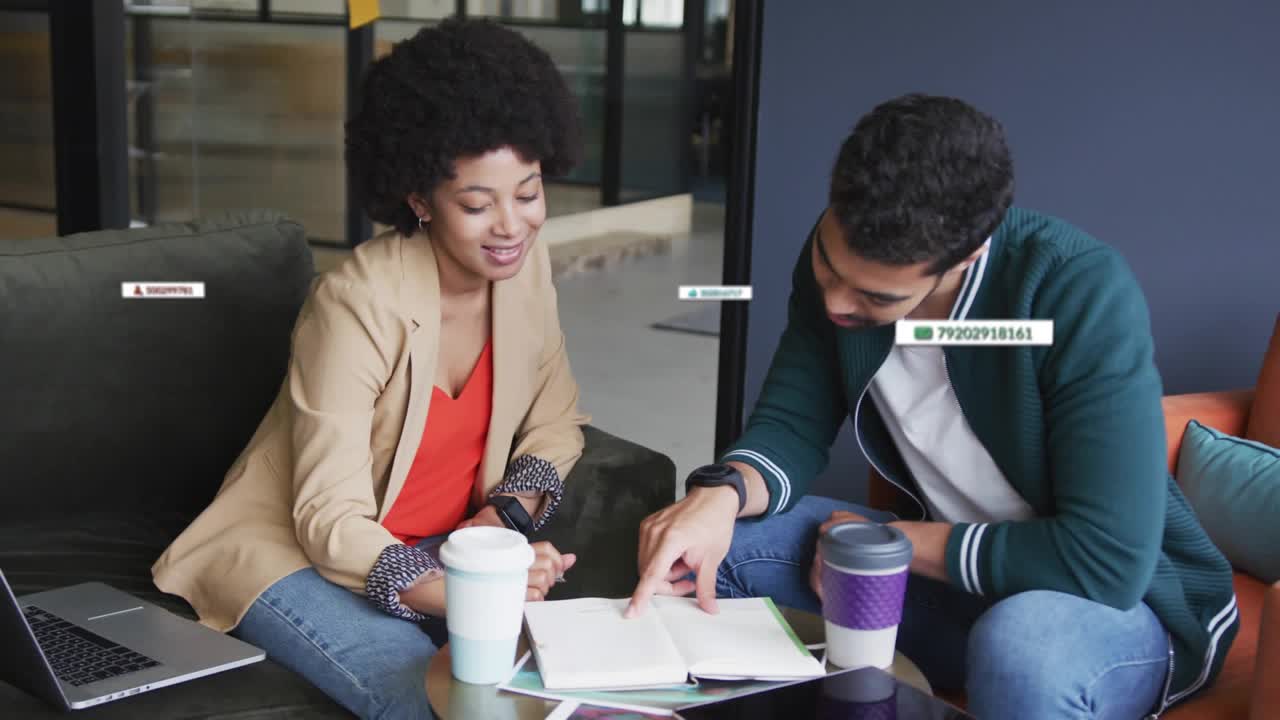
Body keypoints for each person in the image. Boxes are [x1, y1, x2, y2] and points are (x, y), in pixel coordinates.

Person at [628, 94, 1238, 718]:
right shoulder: (842, 258)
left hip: (1117, 609)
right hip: (952, 582)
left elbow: (1107, 562)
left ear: (970, 254)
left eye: (875, 296)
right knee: (703, 554)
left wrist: (890, 543)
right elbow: (793, 421)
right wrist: (718, 495)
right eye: (827, 266)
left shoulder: (1076, 288)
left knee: (1021, 646)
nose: (838, 304)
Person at [152, 18, 589, 719]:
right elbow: (327, 517)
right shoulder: (354, 303)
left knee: (558, 672)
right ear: (419, 199)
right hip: (293, 554)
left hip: (446, 541)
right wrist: (471, 592)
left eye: (529, 192)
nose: (511, 226)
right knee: (417, 690)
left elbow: (557, 420)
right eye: (477, 204)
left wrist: (501, 519)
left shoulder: (525, 269)